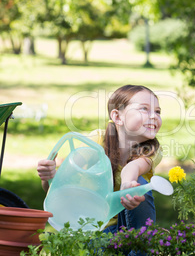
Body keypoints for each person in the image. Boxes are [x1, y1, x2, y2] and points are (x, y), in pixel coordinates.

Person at [37, 85, 163, 235]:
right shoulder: (97, 141)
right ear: (117, 117)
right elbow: (61, 186)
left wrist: (128, 186)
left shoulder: (153, 150)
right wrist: (49, 177)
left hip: (124, 228)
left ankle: (141, 249)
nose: (154, 116)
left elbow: (133, 168)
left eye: (157, 111)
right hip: (92, 229)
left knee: (140, 185)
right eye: (144, 109)